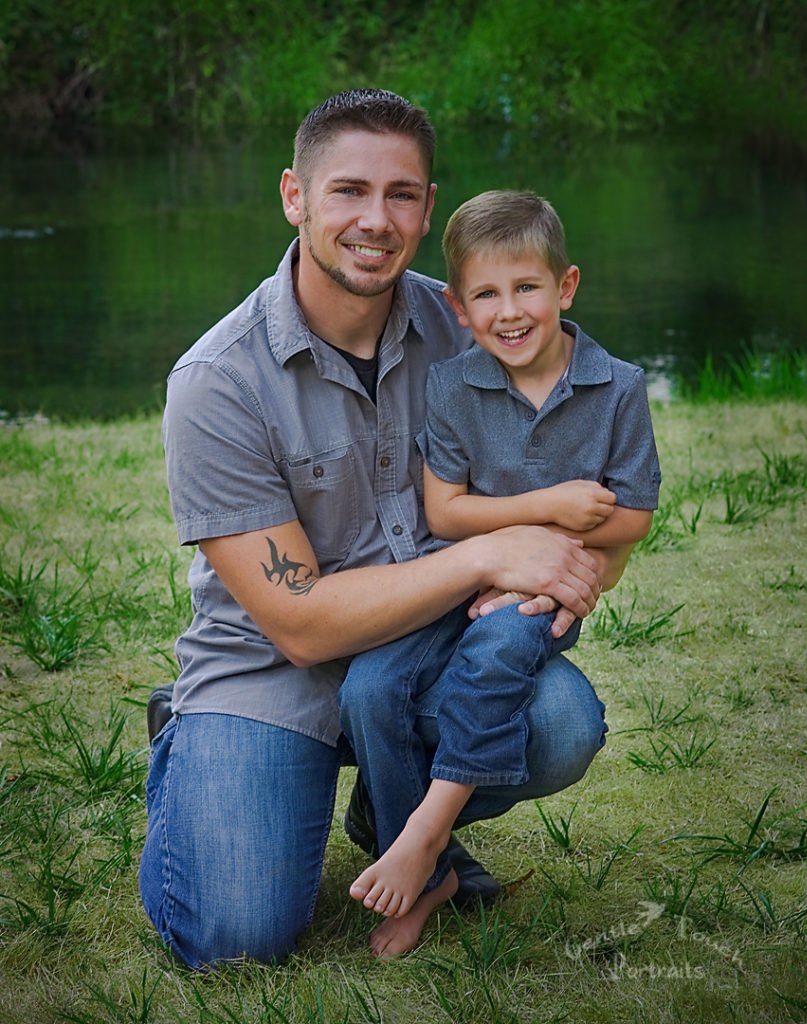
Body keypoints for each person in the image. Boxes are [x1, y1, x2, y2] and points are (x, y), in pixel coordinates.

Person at [139, 90, 621, 970]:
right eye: (348, 191)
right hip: (268, 671)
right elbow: (298, 621)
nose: (376, 219)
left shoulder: (472, 328)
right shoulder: (218, 380)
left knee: (560, 722)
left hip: (426, 652)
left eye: (401, 194)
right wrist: (486, 552)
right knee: (234, 940)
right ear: (294, 197)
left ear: (429, 208)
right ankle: (197, 744)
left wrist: (560, 561)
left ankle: (389, 817)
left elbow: (571, 476)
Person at [338, 189, 661, 957]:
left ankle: (420, 836)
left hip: (539, 593)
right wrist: (547, 510)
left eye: (526, 287)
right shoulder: (453, 388)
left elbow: (631, 516)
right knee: (369, 689)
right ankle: (436, 869)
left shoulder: (615, 388)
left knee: (497, 654)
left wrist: (545, 567)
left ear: (565, 286)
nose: (508, 311)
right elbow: (445, 513)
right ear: (457, 306)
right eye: (486, 294)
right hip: (452, 573)